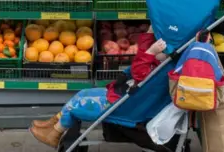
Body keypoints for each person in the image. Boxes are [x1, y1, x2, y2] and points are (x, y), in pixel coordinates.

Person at [30, 27, 167, 148]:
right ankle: (52, 125)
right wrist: (150, 34)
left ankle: (54, 134)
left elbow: (138, 71)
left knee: (76, 104)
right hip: (124, 97)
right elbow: (142, 58)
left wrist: (150, 52)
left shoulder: (156, 67)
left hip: (124, 107)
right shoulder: (162, 63)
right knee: (83, 93)